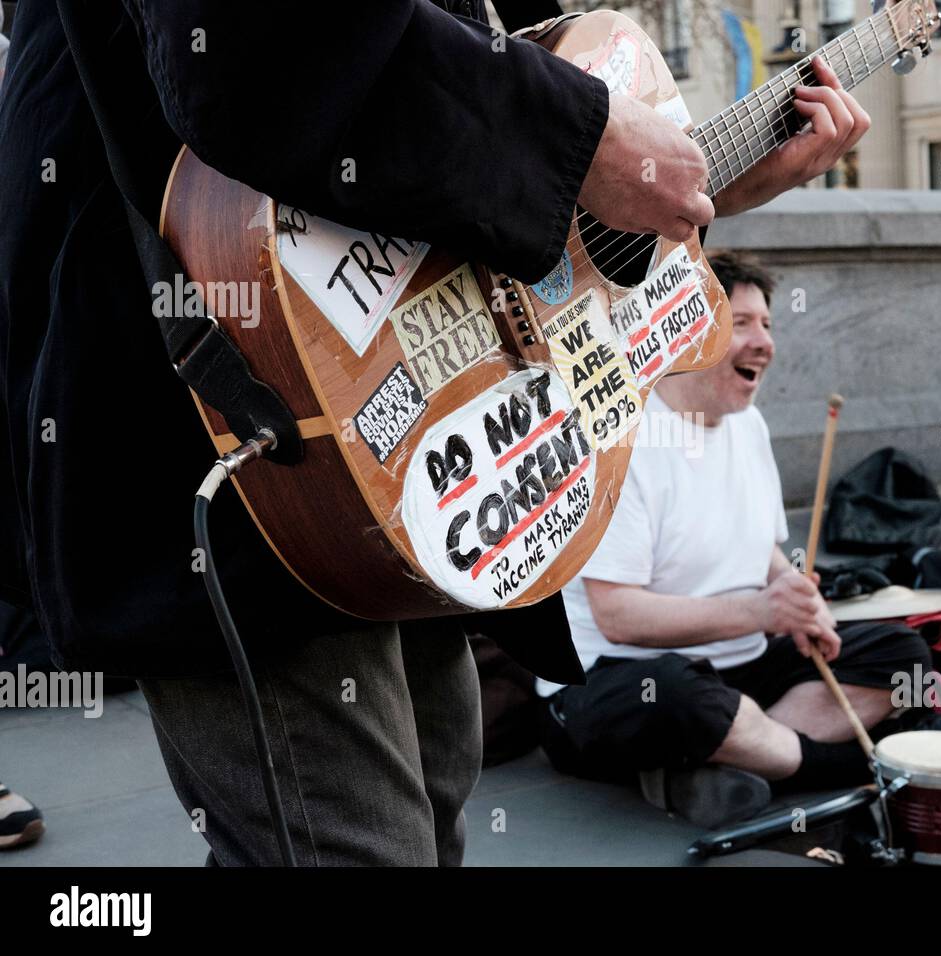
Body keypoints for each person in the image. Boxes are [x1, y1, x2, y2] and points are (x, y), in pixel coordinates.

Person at [0, 0, 869, 865]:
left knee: (432, 806)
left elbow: (491, 139)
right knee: (360, 846)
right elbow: (258, 54)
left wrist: (679, 199)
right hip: (232, 409)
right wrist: (583, 139)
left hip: (417, 426)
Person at [537, 252, 937, 828]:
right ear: (685, 327)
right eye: (742, 323)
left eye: (768, 325)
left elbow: (764, 552)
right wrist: (760, 611)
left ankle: (735, 752)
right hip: (618, 677)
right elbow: (619, 618)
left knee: (902, 655)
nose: (764, 343)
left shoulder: (749, 425)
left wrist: (797, 597)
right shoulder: (623, 439)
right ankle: (828, 762)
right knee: (676, 694)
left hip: (736, 667)